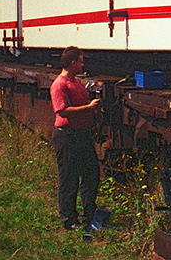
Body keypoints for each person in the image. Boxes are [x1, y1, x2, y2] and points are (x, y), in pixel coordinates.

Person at [50, 46, 101, 233]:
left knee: (90, 173)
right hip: (67, 135)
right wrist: (88, 108)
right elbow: (62, 111)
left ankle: (89, 214)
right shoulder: (59, 84)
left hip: (81, 134)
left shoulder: (76, 82)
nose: (82, 64)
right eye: (80, 61)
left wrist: (92, 109)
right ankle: (68, 219)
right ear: (72, 63)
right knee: (68, 177)